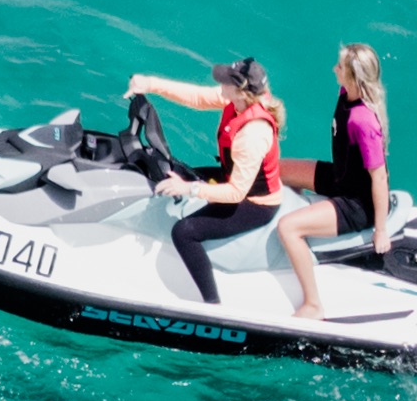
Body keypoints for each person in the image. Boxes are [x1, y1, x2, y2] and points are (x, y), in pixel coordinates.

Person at [125, 57, 326, 319]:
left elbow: (236, 193)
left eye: (226, 81)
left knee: (184, 232)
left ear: (241, 91)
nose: (220, 82)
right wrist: (149, 84)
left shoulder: (253, 134)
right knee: (178, 170)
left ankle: (212, 305)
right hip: (237, 178)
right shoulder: (240, 101)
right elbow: (197, 97)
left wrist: (190, 189)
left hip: (255, 203)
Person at [307, 42, 399, 254]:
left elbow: (380, 177)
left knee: (288, 227)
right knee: (279, 171)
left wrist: (381, 230)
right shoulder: (345, 93)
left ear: (353, 77)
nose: (334, 68)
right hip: (340, 179)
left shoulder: (363, 121)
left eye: (340, 66)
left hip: (358, 205)